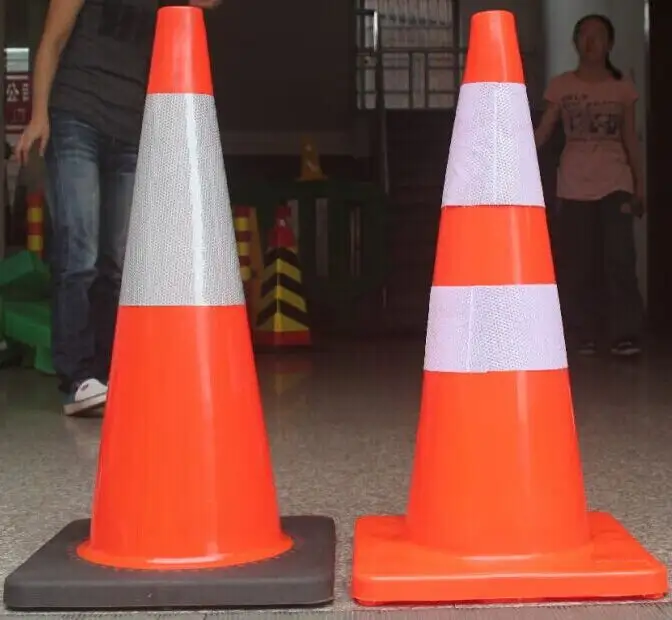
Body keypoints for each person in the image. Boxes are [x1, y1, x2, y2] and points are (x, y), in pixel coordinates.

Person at [15, 0, 221, 416]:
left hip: (132, 126)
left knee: (118, 261)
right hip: (77, 116)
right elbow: (51, 43)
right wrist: (39, 116)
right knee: (80, 252)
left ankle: (109, 375)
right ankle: (76, 377)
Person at [535, 14, 645, 358]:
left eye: (597, 36)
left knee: (619, 259)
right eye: (583, 35)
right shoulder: (561, 85)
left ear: (609, 44)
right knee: (577, 263)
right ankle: (580, 334)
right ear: (575, 42)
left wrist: (641, 186)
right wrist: (513, 154)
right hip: (573, 184)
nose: (590, 42)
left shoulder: (622, 87)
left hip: (615, 181)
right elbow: (544, 130)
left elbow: (630, 137)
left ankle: (624, 334)